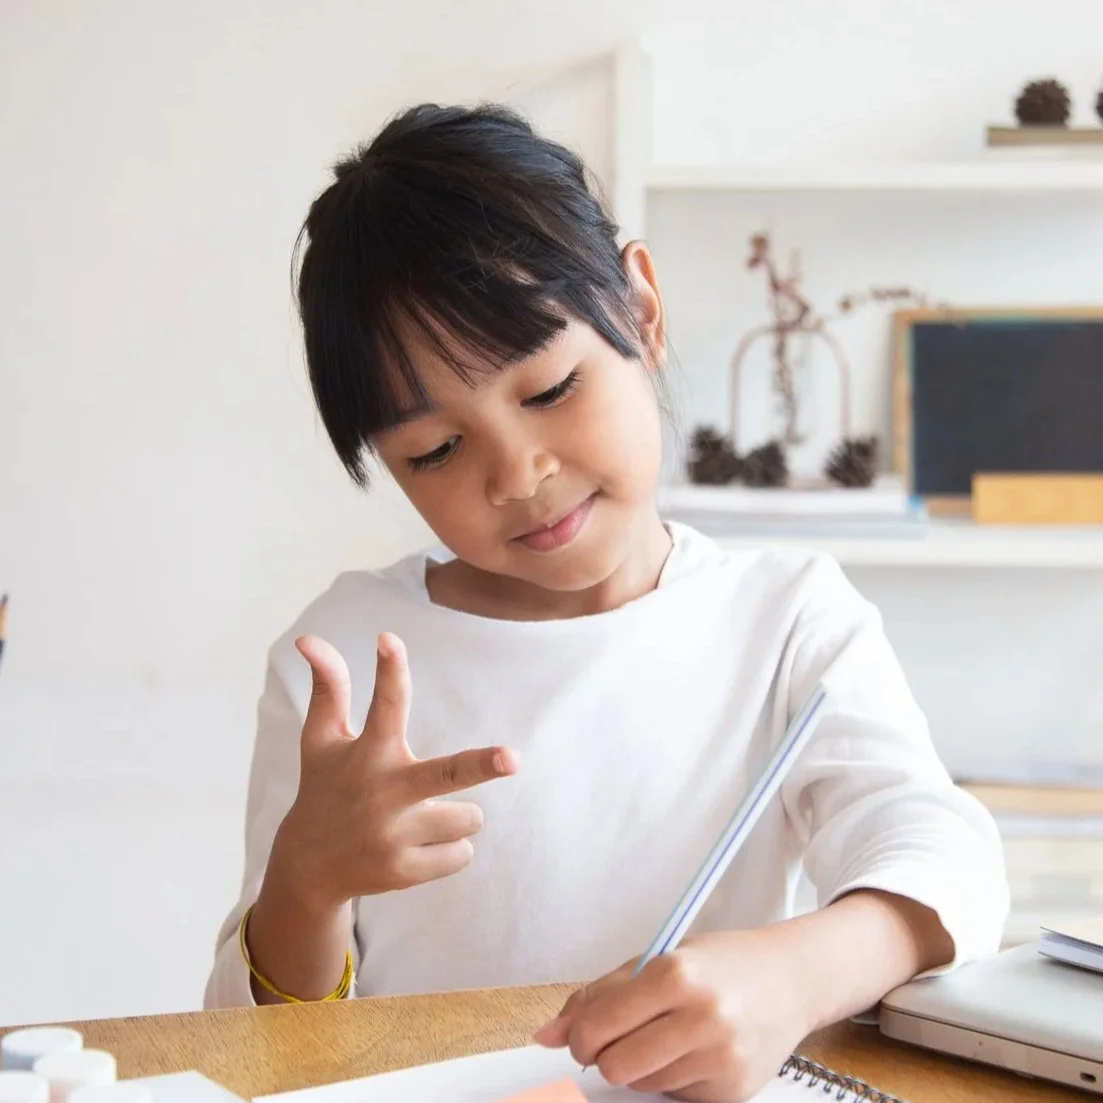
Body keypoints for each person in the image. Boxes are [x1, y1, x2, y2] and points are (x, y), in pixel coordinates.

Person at [205, 102, 1008, 1102]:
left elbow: (947, 856)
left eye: (548, 389)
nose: (518, 472)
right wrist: (305, 884)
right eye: (435, 451)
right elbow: (251, 1047)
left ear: (641, 309)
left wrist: (792, 975)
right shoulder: (342, 660)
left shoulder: (786, 617)